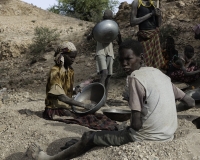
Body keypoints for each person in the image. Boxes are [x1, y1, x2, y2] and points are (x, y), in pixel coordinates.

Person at [27, 39, 195, 160]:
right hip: (169, 136)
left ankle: (48, 159)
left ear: (141, 58)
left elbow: (136, 125)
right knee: (105, 125)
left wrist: (136, 114)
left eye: (128, 59)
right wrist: (166, 111)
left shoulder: (135, 78)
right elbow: (190, 102)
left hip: (147, 137)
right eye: (121, 60)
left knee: (88, 137)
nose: (124, 64)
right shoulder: (160, 74)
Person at [43, 41, 93, 120]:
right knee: (83, 118)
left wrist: (74, 91)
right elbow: (62, 97)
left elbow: (64, 91)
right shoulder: (55, 71)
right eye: (71, 57)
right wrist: (83, 105)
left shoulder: (70, 70)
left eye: (74, 57)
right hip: (54, 108)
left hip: (65, 106)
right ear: (62, 55)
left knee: (90, 116)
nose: (73, 60)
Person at [87, 9, 122, 100]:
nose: (107, 19)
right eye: (106, 17)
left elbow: (120, 42)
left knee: (109, 76)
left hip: (110, 52)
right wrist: (93, 34)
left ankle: (104, 98)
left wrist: (118, 35)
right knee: (104, 73)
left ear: (111, 18)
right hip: (100, 51)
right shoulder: (99, 26)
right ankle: (100, 97)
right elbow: (89, 37)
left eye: (109, 18)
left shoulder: (113, 26)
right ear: (103, 18)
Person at [130, 0, 164, 68]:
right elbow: (132, 22)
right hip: (144, 38)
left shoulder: (153, 3)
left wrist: (159, 15)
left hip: (154, 36)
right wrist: (151, 14)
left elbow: (159, 24)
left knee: (155, 66)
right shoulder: (136, 3)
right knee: (144, 63)